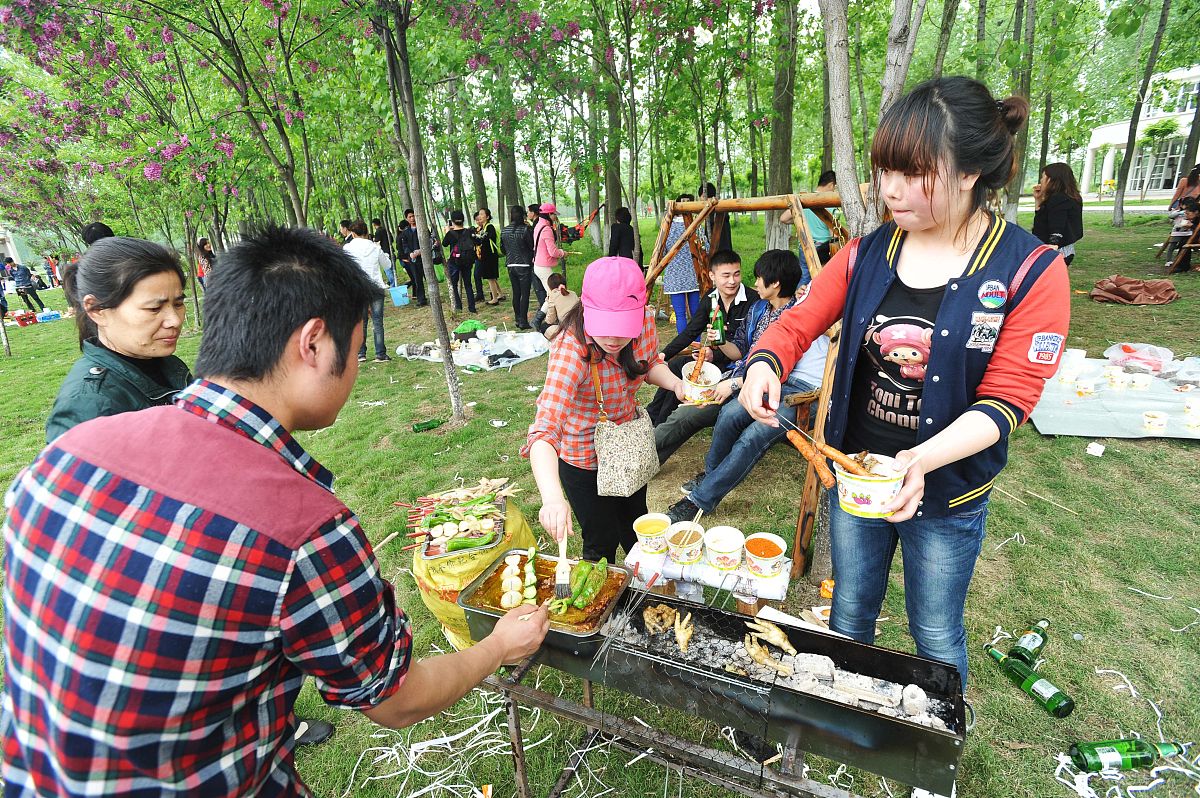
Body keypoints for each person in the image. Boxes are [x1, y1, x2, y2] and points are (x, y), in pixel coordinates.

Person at [3, 225, 550, 797]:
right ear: (313, 343)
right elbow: (397, 699)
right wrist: (497, 646)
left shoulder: (63, 455)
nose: (356, 369)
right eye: (356, 349)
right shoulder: (302, 530)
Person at [739, 77, 1070, 687]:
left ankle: (932, 761)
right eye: (884, 169)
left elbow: (1008, 400)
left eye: (913, 172)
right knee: (849, 612)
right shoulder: (867, 253)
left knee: (935, 631)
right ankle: (842, 717)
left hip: (947, 492)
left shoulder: (1030, 270)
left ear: (969, 174)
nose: (888, 190)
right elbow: (798, 321)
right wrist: (764, 362)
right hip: (858, 473)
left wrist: (920, 459)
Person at [523, 256, 686, 562]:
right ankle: (609, 605)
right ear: (587, 309)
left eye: (622, 327)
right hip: (583, 459)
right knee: (601, 542)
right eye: (605, 327)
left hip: (627, 446)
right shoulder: (570, 349)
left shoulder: (644, 322)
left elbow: (647, 364)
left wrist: (676, 384)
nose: (613, 338)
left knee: (637, 526)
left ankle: (644, 590)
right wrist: (552, 498)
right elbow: (544, 430)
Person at [654, 250, 822, 465]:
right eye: (726, 275)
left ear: (775, 283)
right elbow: (740, 351)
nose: (756, 283)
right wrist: (722, 342)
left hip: (754, 387)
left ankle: (644, 454)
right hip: (734, 374)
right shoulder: (759, 308)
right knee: (683, 410)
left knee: (690, 415)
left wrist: (733, 384)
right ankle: (646, 458)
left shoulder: (796, 317)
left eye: (759, 278)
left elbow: (782, 371)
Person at [46, 237, 193, 442]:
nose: (174, 320)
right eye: (154, 308)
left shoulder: (165, 364)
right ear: (96, 309)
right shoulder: (88, 406)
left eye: (178, 304)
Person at [646, 249, 751, 426]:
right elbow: (690, 332)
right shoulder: (711, 299)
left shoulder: (751, 301)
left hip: (735, 365)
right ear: (712, 275)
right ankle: (651, 414)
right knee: (674, 365)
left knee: (683, 370)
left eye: (736, 274)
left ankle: (661, 423)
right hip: (715, 358)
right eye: (726, 275)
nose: (732, 281)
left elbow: (746, 345)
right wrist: (664, 354)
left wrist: (714, 354)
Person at [344, 220, 391, 362]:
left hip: (358, 288)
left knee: (361, 321)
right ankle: (380, 353)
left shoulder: (347, 248)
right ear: (366, 231)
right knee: (378, 321)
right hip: (376, 286)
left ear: (352, 233)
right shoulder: (375, 247)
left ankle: (361, 353)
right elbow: (387, 265)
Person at [780, 170, 839, 284]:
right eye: (834, 187)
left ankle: (799, 300)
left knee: (804, 277)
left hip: (804, 244)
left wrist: (799, 221)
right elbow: (834, 233)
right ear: (831, 184)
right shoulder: (829, 203)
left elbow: (783, 218)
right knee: (821, 279)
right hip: (823, 248)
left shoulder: (804, 200)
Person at [662, 194, 707, 334]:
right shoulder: (696, 225)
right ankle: (697, 344)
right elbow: (705, 247)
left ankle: (682, 344)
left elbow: (662, 251)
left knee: (680, 314)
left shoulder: (667, 226)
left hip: (674, 274)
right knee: (695, 314)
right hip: (693, 273)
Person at [1032, 162, 1084, 266]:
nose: (1041, 181)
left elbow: (1057, 226)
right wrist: (1038, 200)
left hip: (1056, 252)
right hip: (1064, 250)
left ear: (1050, 180)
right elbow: (1042, 221)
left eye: (1043, 178)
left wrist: (1052, 246)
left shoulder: (1059, 199)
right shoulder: (1070, 197)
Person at [500, 204, 535, 329]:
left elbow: (502, 249)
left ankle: (517, 318)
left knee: (516, 293)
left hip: (510, 264)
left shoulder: (504, 230)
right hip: (524, 264)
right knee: (525, 294)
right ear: (523, 215)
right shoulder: (525, 229)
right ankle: (523, 321)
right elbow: (531, 247)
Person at [442, 210, 478, 313]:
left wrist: (447, 231)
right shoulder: (469, 232)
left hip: (454, 262)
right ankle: (472, 308)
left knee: (454, 284)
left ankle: (458, 306)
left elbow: (444, 244)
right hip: (467, 261)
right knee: (468, 284)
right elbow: (476, 241)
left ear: (452, 221)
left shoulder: (450, 234)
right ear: (463, 220)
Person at [533, 202, 566, 299]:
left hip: (538, 264)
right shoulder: (547, 229)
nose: (555, 216)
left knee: (551, 294)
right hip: (543, 267)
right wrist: (563, 253)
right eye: (554, 214)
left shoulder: (538, 225)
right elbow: (553, 252)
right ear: (548, 215)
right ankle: (544, 314)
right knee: (554, 295)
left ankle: (546, 314)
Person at [398, 208, 429, 307]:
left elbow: (429, 241)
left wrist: (421, 251)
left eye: (413, 216)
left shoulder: (423, 229)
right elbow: (405, 245)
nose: (412, 218)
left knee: (428, 278)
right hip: (413, 260)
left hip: (425, 258)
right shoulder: (406, 232)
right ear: (407, 219)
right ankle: (421, 299)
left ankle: (433, 296)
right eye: (410, 217)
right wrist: (410, 253)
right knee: (417, 280)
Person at [474, 208, 504, 305]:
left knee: (490, 277)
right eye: (479, 214)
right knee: (492, 277)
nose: (480, 216)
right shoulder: (483, 227)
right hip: (486, 256)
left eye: (482, 214)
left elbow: (486, 239)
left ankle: (494, 299)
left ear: (487, 216)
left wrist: (479, 236)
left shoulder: (489, 227)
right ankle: (500, 294)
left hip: (490, 256)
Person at [542, 272, 580, 340]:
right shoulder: (573, 293)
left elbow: (551, 319)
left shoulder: (553, 296)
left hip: (568, 328)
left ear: (550, 286)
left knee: (543, 327)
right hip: (579, 325)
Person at [698, 182, 731, 251]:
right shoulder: (713, 211)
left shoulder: (715, 211)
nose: (700, 200)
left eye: (701, 196)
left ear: (704, 196)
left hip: (720, 251)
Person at [372, 217, 397, 287]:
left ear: (374, 224)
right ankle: (394, 282)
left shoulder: (378, 232)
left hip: (385, 252)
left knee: (387, 269)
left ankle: (393, 284)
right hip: (391, 250)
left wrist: (374, 240)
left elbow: (377, 243)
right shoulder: (386, 230)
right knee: (392, 268)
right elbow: (391, 239)